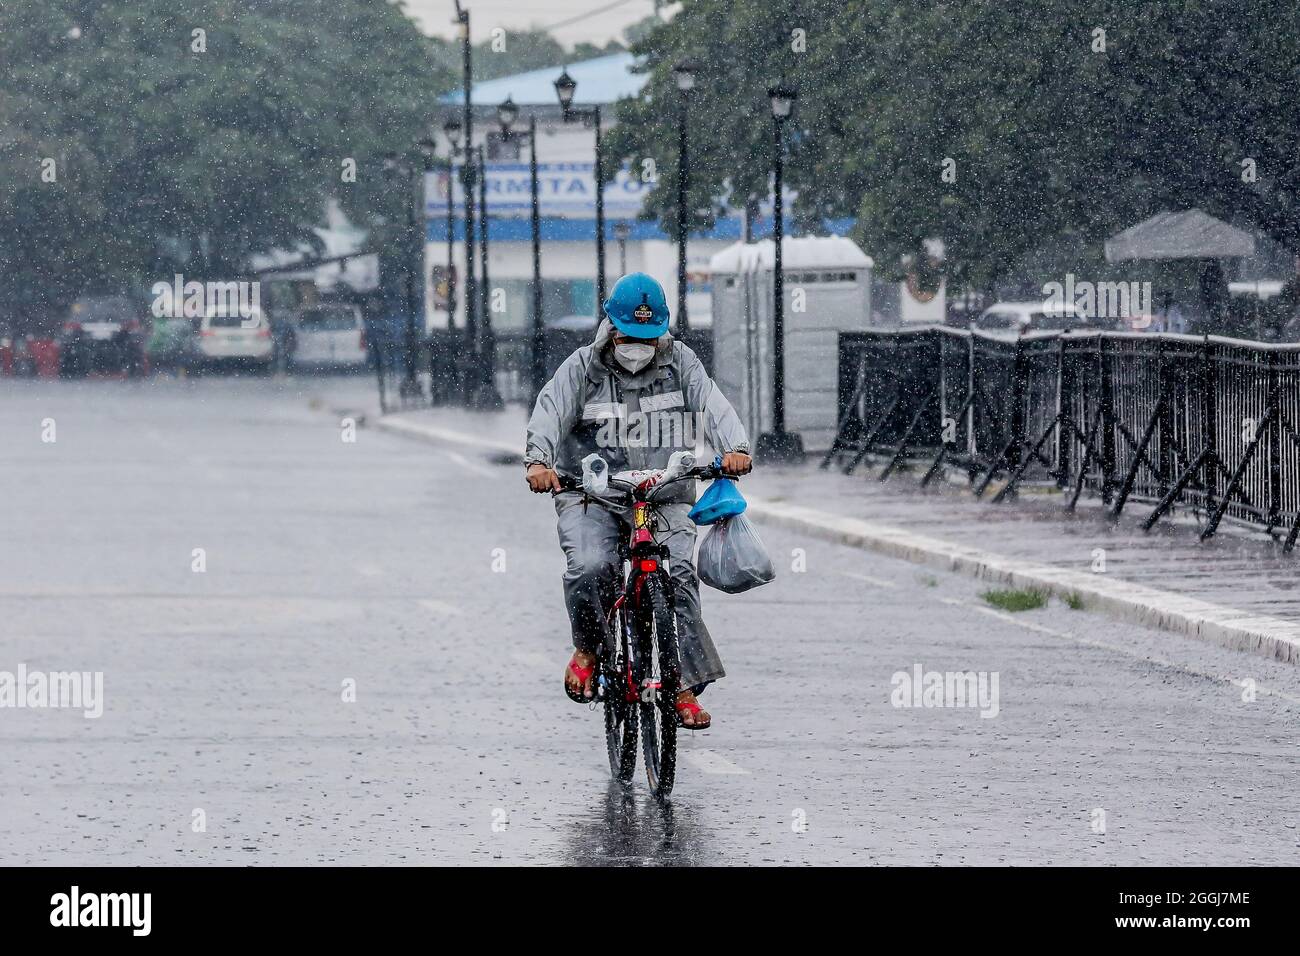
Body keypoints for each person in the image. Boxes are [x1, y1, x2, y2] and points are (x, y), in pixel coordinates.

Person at [524, 273, 752, 729]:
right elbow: (549, 411)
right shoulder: (581, 369)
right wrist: (539, 461)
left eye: (649, 337)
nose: (639, 345)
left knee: (682, 574)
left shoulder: (681, 362)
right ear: (611, 325)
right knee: (590, 566)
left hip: (663, 495)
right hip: (594, 497)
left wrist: (735, 448)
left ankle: (682, 686)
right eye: (630, 335)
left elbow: (712, 403)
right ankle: (589, 646)